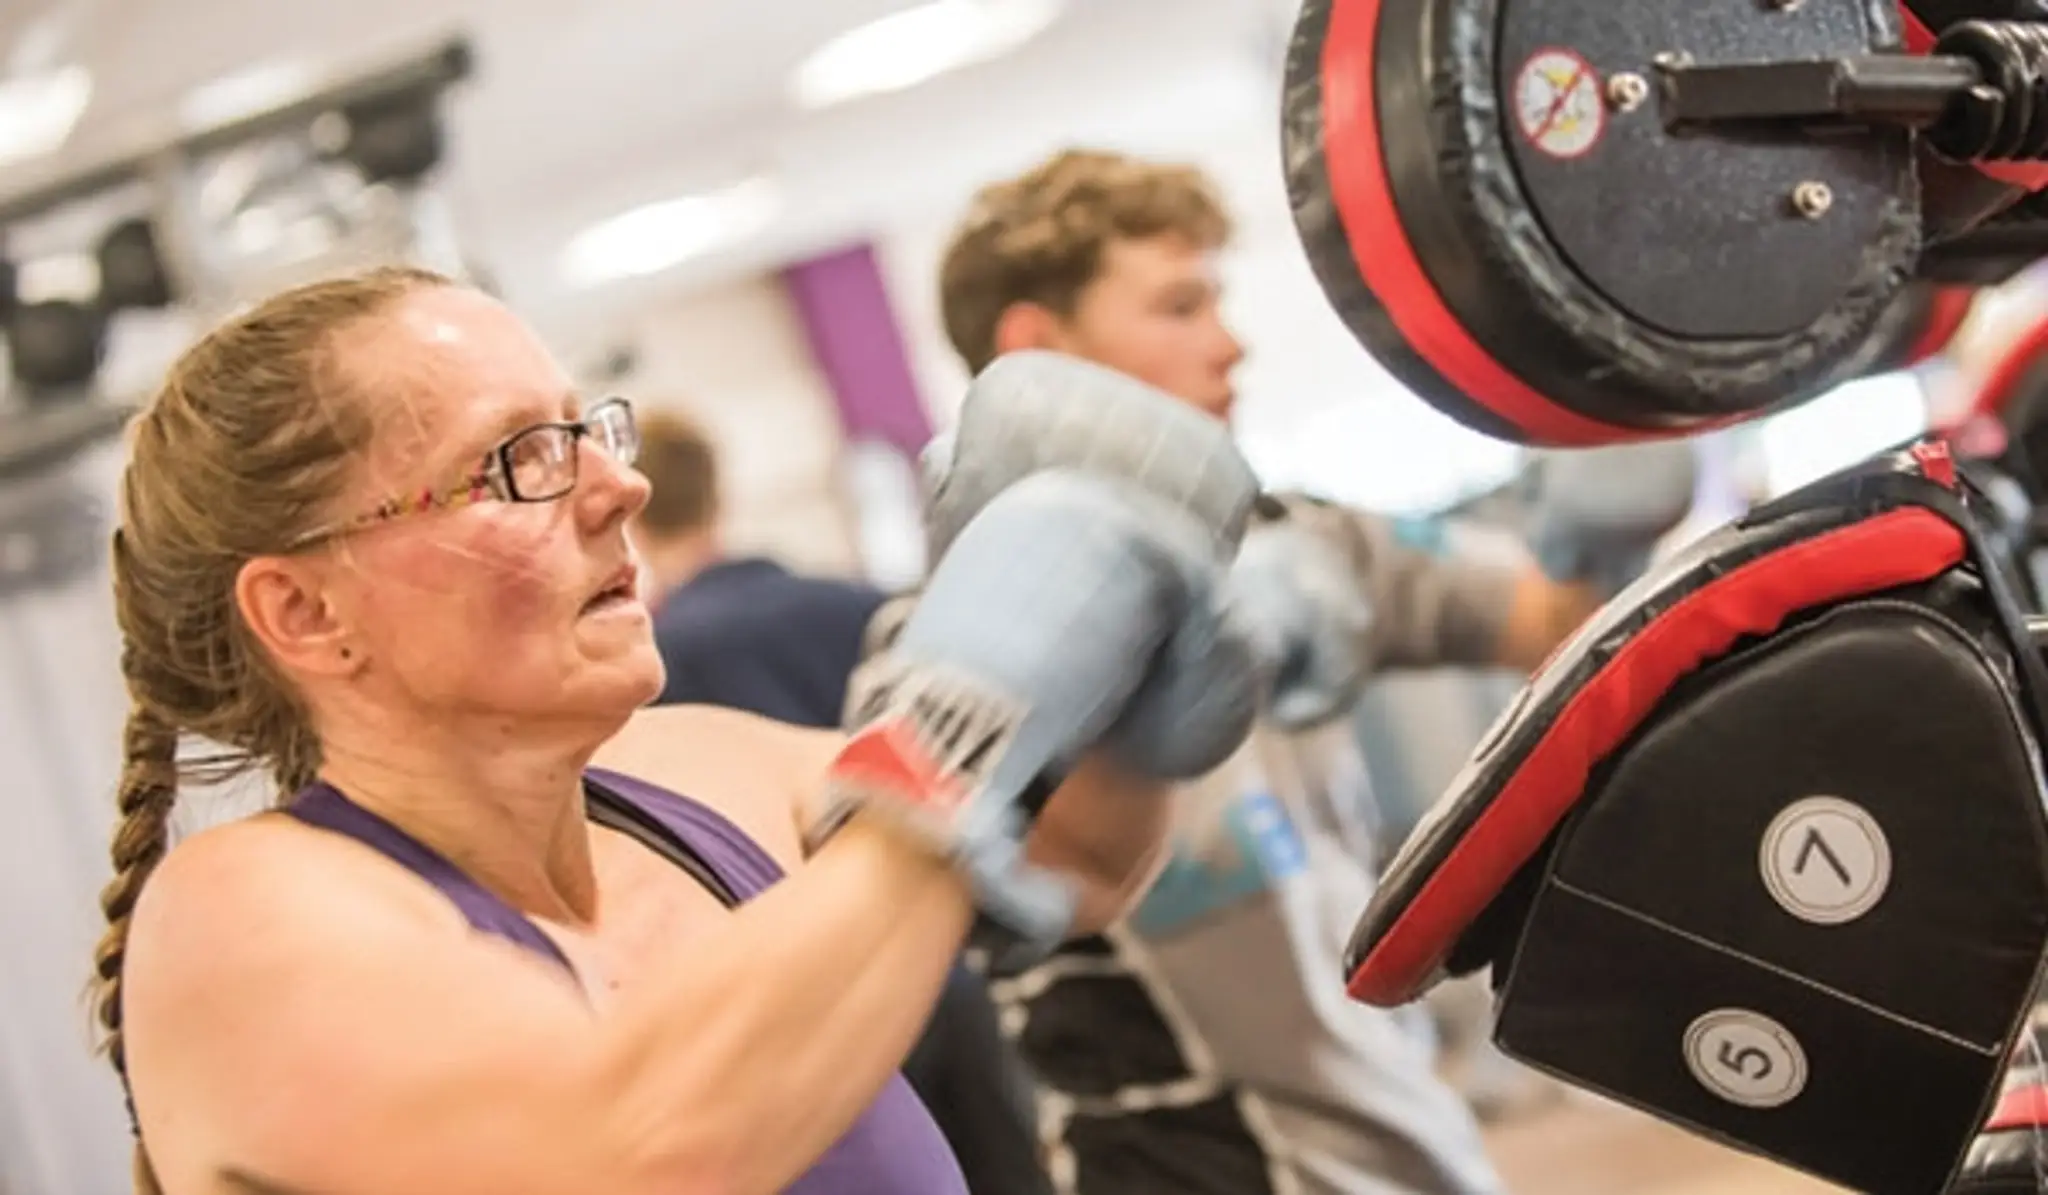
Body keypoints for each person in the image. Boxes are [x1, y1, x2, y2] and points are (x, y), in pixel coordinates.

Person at [93, 264, 1253, 1195]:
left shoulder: (695, 774)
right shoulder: (240, 922)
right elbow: (641, 1148)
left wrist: (1123, 675)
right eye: (519, 462)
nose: (619, 487)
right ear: (306, 612)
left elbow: (1073, 857)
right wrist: (943, 751)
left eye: (586, 428)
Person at [931, 149, 1652, 1195]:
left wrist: (1609, 462)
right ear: (1035, 352)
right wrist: (1157, 652)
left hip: (1410, 1147)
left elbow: (1556, 618)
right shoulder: (957, 633)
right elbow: (1023, 864)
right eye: (1178, 307)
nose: (1228, 344)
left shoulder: (1302, 542)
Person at [631, 408, 1054, 1195]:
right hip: (937, 965)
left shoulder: (651, 672)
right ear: (717, 495)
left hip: (819, 1014)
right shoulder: (850, 605)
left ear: (636, 518)